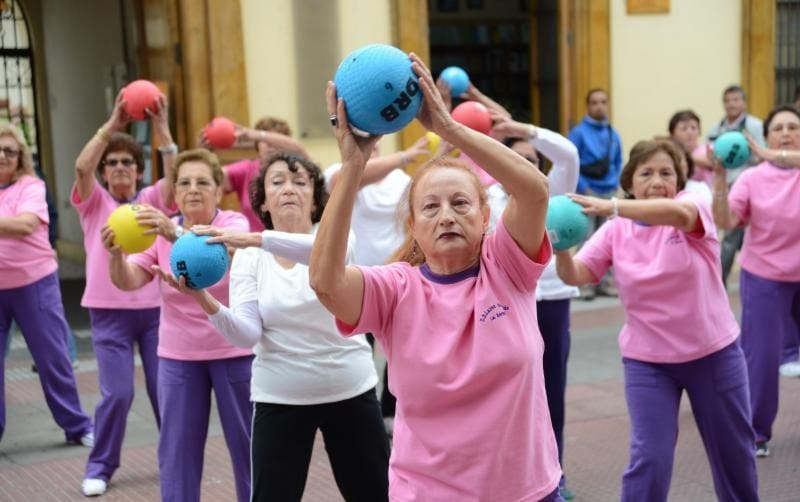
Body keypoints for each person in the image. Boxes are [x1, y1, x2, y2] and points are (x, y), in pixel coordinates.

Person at [310, 53, 563, 501]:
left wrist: (447, 128)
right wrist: (352, 166)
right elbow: (326, 283)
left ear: (487, 217)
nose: (446, 215)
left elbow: (534, 189)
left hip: (528, 491)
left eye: (461, 204)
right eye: (430, 207)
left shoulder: (507, 267)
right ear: (413, 224)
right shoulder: (395, 289)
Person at [167, 152, 390, 501]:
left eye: (300, 182)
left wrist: (255, 239)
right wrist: (202, 298)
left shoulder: (337, 240)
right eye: (277, 182)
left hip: (350, 391)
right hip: (280, 397)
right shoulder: (251, 259)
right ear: (264, 201)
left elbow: (322, 255)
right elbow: (246, 334)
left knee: (375, 494)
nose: (288, 189)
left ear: (316, 201)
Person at [554, 139, 757, 501]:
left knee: (734, 455)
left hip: (713, 355)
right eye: (646, 173)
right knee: (650, 457)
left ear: (678, 183)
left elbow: (679, 216)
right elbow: (579, 274)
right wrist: (561, 247)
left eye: (666, 173)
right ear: (631, 182)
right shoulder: (617, 230)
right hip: (649, 363)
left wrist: (614, 206)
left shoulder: (691, 207)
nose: (657, 179)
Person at [104, 149, 253, 502]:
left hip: (234, 350)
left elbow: (224, 252)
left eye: (203, 182)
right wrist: (114, 256)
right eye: (184, 182)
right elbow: (128, 280)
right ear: (175, 191)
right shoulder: (159, 231)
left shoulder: (233, 225)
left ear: (218, 190)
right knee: (177, 453)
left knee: (249, 447)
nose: (193, 189)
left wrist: (173, 232)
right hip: (179, 355)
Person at [72, 90, 174, 496]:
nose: (117, 168)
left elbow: (173, 170)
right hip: (107, 313)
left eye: (126, 162)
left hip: (152, 311)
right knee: (117, 393)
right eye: (111, 163)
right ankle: (100, 465)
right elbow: (82, 166)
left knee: (165, 393)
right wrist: (112, 125)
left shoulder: (151, 200)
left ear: (137, 170)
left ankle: (175, 459)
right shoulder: (93, 201)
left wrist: (161, 125)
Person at [489, 116, 579, 500]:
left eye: (532, 160)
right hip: (504, 309)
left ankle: (553, 474)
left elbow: (569, 154)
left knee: (550, 393)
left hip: (552, 303)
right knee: (504, 397)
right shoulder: (486, 199)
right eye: (518, 159)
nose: (527, 165)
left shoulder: (553, 193)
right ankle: (506, 477)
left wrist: (523, 130)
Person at [711, 104, 800, 456]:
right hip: (766, 277)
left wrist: (769, 154)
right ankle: (757, 433)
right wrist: (720, 178)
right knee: (760, 359)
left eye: (793, 126)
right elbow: (728, 219)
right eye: (778, 128)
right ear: (767, 134)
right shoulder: (752, 178)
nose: (786, 132)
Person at [324, 137, 428, 434]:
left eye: (374, 139)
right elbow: (348, 179)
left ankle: (389, 410)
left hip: (397, 279)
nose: (371, 144)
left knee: (399, 349)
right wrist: (406, 154)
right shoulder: (341, 172)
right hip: (357, 281)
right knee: (360, 351)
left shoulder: (401, 179)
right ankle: (364, 412)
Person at [0, 121, 94, 447]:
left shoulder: (31, 185)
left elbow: (26, 225)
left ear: (20, 156)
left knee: (52, 358)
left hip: (33, 283)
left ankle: (78, 427)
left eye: (9, 150)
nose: (2, 156)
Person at [707, 85, 766, 287]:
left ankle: (718, 281)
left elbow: (763, 154)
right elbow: (711, 158)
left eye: (736, 99)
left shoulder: (755, 126)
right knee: (727, 234)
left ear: (744, 102)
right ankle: (719, 279)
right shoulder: (716, 129)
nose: (731, 104)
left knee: (732, 237)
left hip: (749, 187)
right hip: (723, 186)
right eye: (728, 100)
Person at [567, 88, 623, 299]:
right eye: (594, 102)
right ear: (588, 106)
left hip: (609, 193)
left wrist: (616, 184)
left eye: (603, 102)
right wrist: (583, 187)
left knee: (609, 240)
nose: (599, 106)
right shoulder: (578, 133)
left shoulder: (612, 133)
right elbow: (572, 161)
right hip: (587, 192)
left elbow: (618, 162)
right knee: (586, 238)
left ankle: (605, 283)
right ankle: (584, 284)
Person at [206, 116, 307, 231]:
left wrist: (258, 135)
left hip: (291, 243)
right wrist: (204, 152)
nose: (270, 145)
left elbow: (299, 149)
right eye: (264, 142)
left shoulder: (299, 168)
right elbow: (209, 179)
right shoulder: (246, 169)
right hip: (254, 246)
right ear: (257, 145)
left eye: (274, 140)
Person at [668, 110, 713, 188]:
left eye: (693, 128)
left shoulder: (708, 148)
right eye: (684, 129)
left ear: (699, 131)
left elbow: (713, 164)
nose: (689, 132)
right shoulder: (669, 153)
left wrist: (686, 156)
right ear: (672, 133)